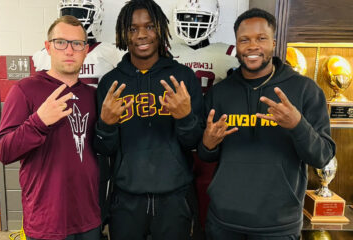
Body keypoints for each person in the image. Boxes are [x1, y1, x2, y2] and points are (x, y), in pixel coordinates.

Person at [198, 8, 336, 240]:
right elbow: (206, 155)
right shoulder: (220, 92)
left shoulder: (304, 90)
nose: (253, 46)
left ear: (273, 43)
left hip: (278, 226)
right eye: (245, 40)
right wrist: (208, 144)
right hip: (224, 221)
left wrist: (297, 124)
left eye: (261, 38)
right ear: (237, 45)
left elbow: (322, 157)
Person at [93, 0, 203, 239]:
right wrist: (106, 125)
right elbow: (103, 148)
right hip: (126, 200)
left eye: (150, 27)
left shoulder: (183, 78)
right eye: (133, 29)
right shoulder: (111, 83)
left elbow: (195, 143)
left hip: (174, 198)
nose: (142, 35)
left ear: (161, 29)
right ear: (123, 33)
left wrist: (185, 118)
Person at [0, 15, 101, 240]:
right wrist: (38, 122)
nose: (69, 51)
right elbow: (3, 151)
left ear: (86, 50)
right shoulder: (25, 90)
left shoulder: (93, 95)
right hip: (46, 219)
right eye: (61, 42)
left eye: (77, 44)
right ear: (48, 47)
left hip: (88, 216)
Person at [171, 0, 240, 237]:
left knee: (208, 208)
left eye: (198, 18)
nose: (192, 24)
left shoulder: (230, 54)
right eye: (187, 18)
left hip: (212, 144)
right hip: (175, 141)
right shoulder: (166, 53)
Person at [32, 0, 124, 88]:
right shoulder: (44, 55)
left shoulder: (108, 52)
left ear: (96, 16)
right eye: (67, 11)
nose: (74, 17)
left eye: (80, 12)